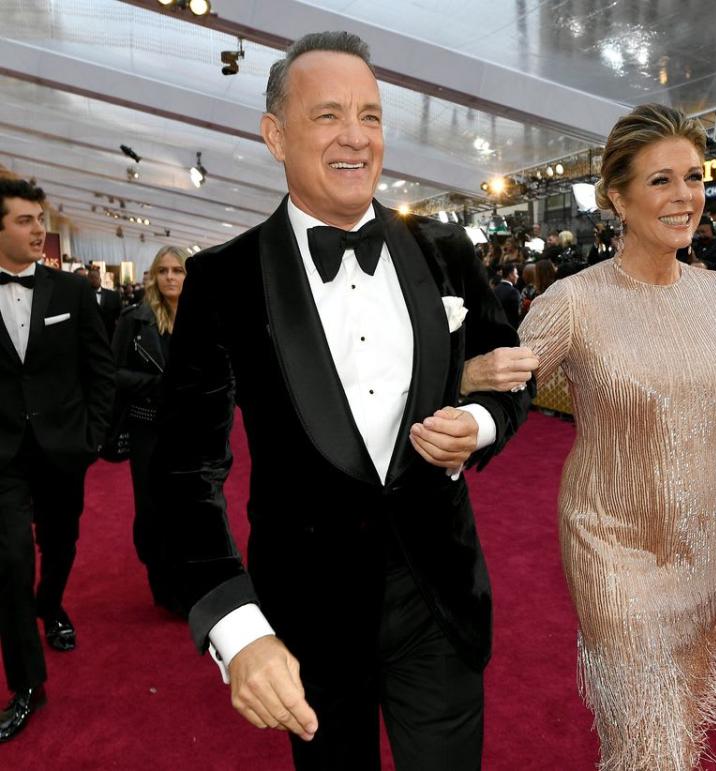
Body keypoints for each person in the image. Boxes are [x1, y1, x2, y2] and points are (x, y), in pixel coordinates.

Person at [151, 32, 529, 771]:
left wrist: (480, 422)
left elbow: (513, 378)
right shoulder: (223, 280)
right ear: (274, 135)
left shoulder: (444, 249)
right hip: (306, 614)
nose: (356, 136)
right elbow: (182, 470)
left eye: (372, 115)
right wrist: (236, 624)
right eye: (328, 115)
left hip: (438, 597)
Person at [518, 104, 716, 769]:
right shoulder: (573, 300)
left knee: (670, 730)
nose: (684, 197)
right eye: (660, 181)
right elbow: (506, 389)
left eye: (694, 177)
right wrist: (471, 372)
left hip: (703, 546)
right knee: (655, 742)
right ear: (617, 195)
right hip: (610, 542)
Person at [0, 178, 114, 741]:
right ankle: (26, 685)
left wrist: (91, 435)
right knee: (10, 559)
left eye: (40, 219)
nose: (39, 229)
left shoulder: (70, 291)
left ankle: (52, 604)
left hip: (63, 448)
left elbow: (100, 367)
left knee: (60, 545)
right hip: (2, 459)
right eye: (25, 220)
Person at [112, 246, 188, 614]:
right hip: (149, 428)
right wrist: (157, 384)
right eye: (164, 271)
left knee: (190, 507)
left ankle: (187, 580)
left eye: (178, 271)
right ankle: (160, 579)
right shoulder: (135, 320)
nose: (170, 277)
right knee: (153, 508)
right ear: (154, 277)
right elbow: (114, 373)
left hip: (193, 429)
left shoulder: (205, 317)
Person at [86, 267, 122, 341]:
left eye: (96, 277)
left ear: (100, 279)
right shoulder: (83, 296)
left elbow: (119, 313)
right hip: (90, 335)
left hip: (110, 334)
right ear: (87, 279)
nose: (94, 280)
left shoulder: (113, 295)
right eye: (91, 278)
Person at [493, 261, 521, 328]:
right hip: (509, 330)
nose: (518, 276)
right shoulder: (513, 292)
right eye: (516, 274)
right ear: (510, 275)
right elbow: (516, 315)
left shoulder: (494, 290)